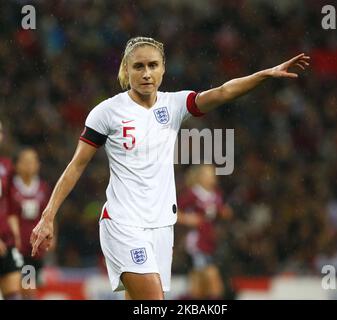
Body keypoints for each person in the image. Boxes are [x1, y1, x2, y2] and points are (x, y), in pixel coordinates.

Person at [30, 36, 310, 300]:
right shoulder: (107, 112)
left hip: (162, 226)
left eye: (153, 65)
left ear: (163, 68)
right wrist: (48, 215)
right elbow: (76, 165)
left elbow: (224, 92)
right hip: (123, 223)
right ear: (126, 70)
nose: (146, 73)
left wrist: (264, 74)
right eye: (138, 66)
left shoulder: (174, 104)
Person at [177, 164, 233, 299]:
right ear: (199, 177)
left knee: (198, 286)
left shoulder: (216, 194)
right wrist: (188, 219)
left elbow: (224, 211)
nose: (212, 177)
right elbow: (174, 212)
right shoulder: (192, 194)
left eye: (213, 174)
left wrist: (225, 213)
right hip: (197, 242)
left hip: (211, 242)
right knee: (214, 281)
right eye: (208, 174)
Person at [9, 148, 51, 299]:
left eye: (33, 161)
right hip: (12, 247)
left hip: (32, 250)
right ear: (17, 165)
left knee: (28, 288)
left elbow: (49, 215)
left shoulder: (43, 188)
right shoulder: (9, 187)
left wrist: (52, 235)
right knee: (12, 287)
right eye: (26, 161)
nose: (30, 165)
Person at [0, 121, 24, 300]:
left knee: (14, 294)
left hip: (6, 242)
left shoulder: (6, 166)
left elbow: (9, 205)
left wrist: (15, 234)